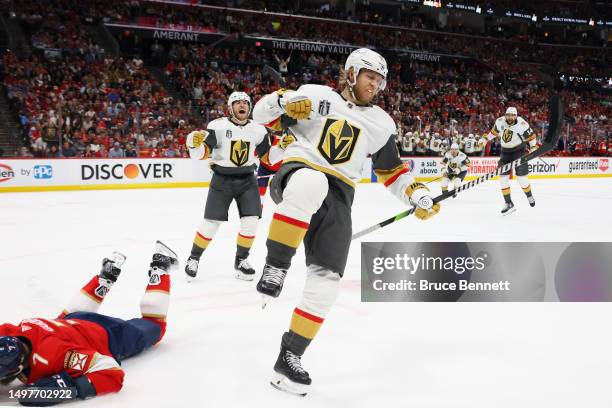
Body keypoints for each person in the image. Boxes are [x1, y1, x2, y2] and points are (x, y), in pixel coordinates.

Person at [252, 48, 441, 396]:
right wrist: (281, 101)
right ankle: (275, 267)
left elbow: (392, 171)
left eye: (380, 79)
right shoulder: (315, 95)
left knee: (327, 280)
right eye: (370, 76)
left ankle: (289, 357)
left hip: (340, 196)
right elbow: (259, 114)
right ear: (351, 73)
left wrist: (416, 194)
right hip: (300, 172)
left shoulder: (382, 123)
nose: (376, 84)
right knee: (313, 182)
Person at [0, 241, 177, 405]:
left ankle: (160, 267)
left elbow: (111, 372)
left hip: (108, 333)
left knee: (155, 325)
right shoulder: (8, 331)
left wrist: (70, 387)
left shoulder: (57, 355)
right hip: (71, 321)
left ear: (16, 369)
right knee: (63, 319)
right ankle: (104, 278)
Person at [184, 92, 276, 282]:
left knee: (251, 221)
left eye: (245, 102)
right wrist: (193, 146)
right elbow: (201, 154)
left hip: (248, 180)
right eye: (237, 103)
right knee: (210, 223)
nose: (242, 105)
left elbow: (268, 158)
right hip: (221, 179)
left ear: (249, 107)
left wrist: (282, 148)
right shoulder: (217, 126)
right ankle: (193, 258)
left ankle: (241, 261)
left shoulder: (258, 130)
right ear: (230, 107)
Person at [487, 107, 537, 215]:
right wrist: (484, 139)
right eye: (508, 115)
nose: (510, 117)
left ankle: (529, 195)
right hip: (505, 153)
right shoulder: (500, 121)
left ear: (516, 116)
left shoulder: (522, 124)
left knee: (521, 179)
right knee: (502, 178)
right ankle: (508, 203)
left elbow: (532, 137)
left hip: (519, 152)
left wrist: (533, 148)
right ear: (505, 115)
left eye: (512, 115)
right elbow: (493, 133)